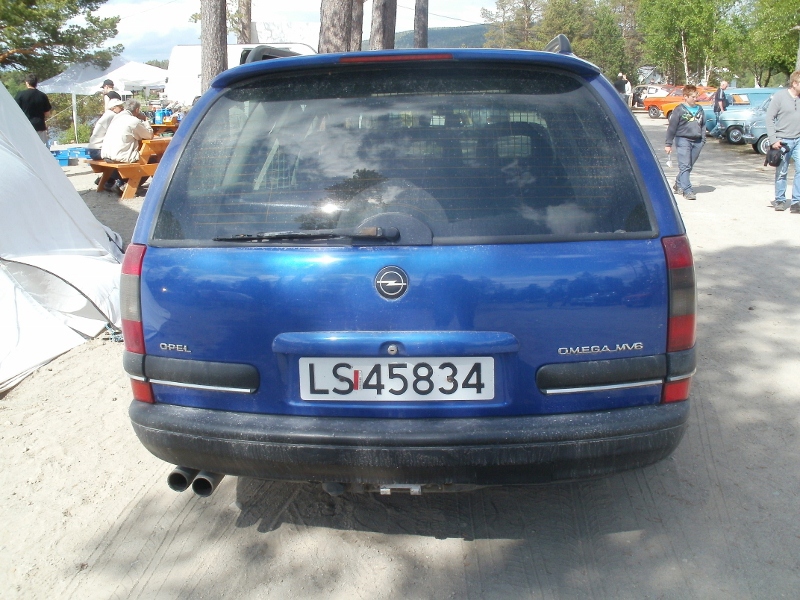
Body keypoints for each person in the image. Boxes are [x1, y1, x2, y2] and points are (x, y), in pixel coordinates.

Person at [765, 70, 800, 212]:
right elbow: (769, 118)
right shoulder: (780, 97)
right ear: (795, 83)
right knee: (782, 171)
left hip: (798, 140)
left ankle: (796, 202)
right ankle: (780, 199)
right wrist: (773, 139)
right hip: (783, 141)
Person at [101, 99, 153, 193]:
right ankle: (123, 184)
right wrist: (146, 120)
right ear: (137, 110)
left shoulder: (116, 117)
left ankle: (110, 181)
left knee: (125, 154)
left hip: (107, 153)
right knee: (151, 159)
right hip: (120, 155)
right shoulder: (133, 121)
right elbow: (149, 135)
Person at [665, 85, 706, 201]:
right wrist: (668, 144)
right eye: (693, 97)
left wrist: (703, 139)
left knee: (689, 166)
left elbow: (703, 125)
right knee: (685, 165)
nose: (695, 99)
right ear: (685, 97)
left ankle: (678, 183)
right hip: (683, 139)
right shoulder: (679, 109)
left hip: (697, 141)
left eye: (696, 96)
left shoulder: (700, 109)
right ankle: (687, 190)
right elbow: (672, 127)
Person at [14, 73, 52, 144]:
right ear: (36, 83)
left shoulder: (20, 95)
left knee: (27, 147)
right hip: (39, 126)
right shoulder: (42, 95)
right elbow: (47, 113)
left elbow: (15, 111)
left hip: (25, 126)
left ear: (27, 82)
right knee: (41, 147)